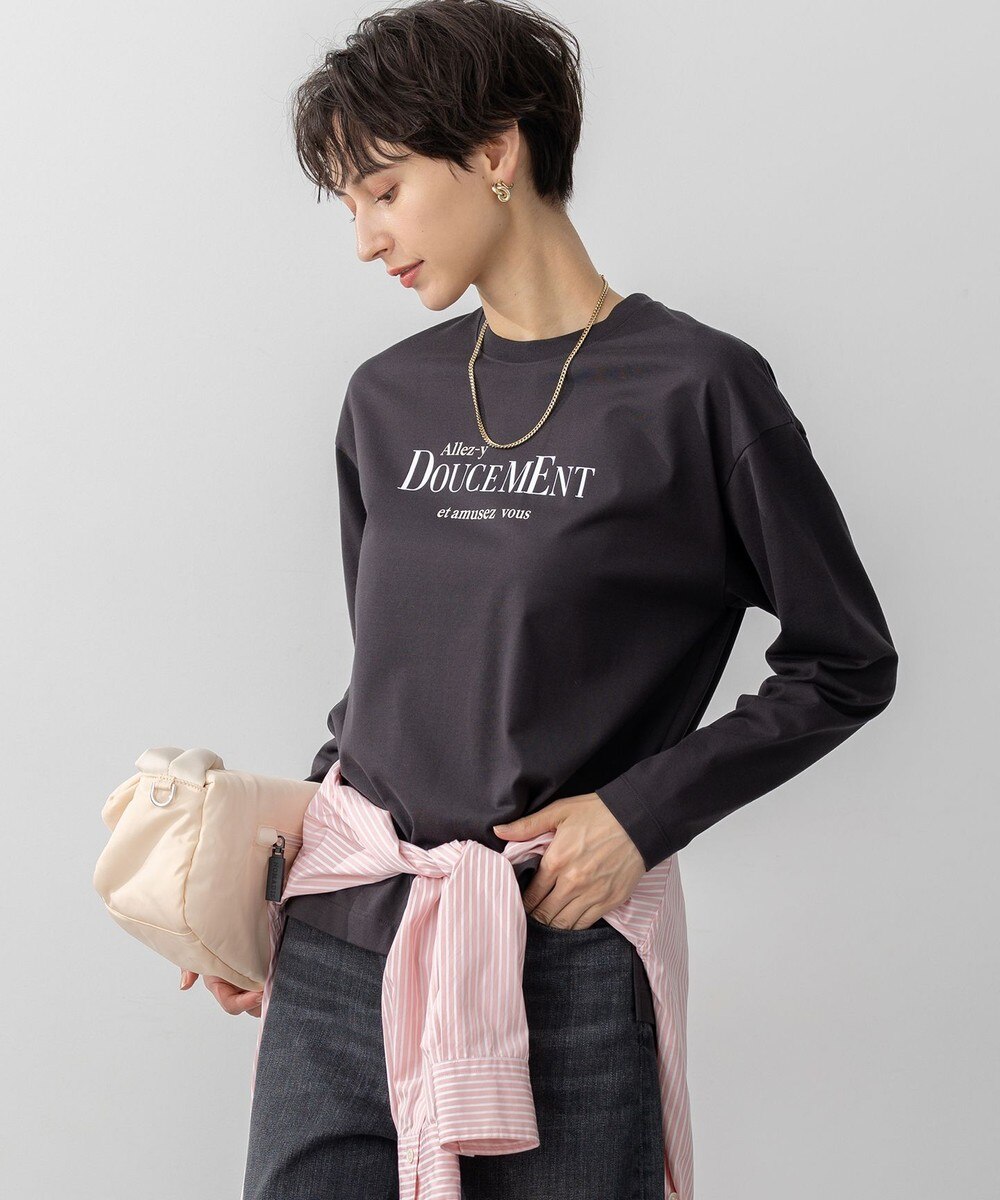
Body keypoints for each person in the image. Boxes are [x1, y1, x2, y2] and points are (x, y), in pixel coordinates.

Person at [181, 2, 899, 1197]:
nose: (364, 238)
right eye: (349, 205)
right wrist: (263, 883)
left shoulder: (697, 391)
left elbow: (846, 660)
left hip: (560, 959)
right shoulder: (384, 399)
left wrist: (639, 815)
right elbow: (389, 685)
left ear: (495, 150)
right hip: (341, 943)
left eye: (383, 190)